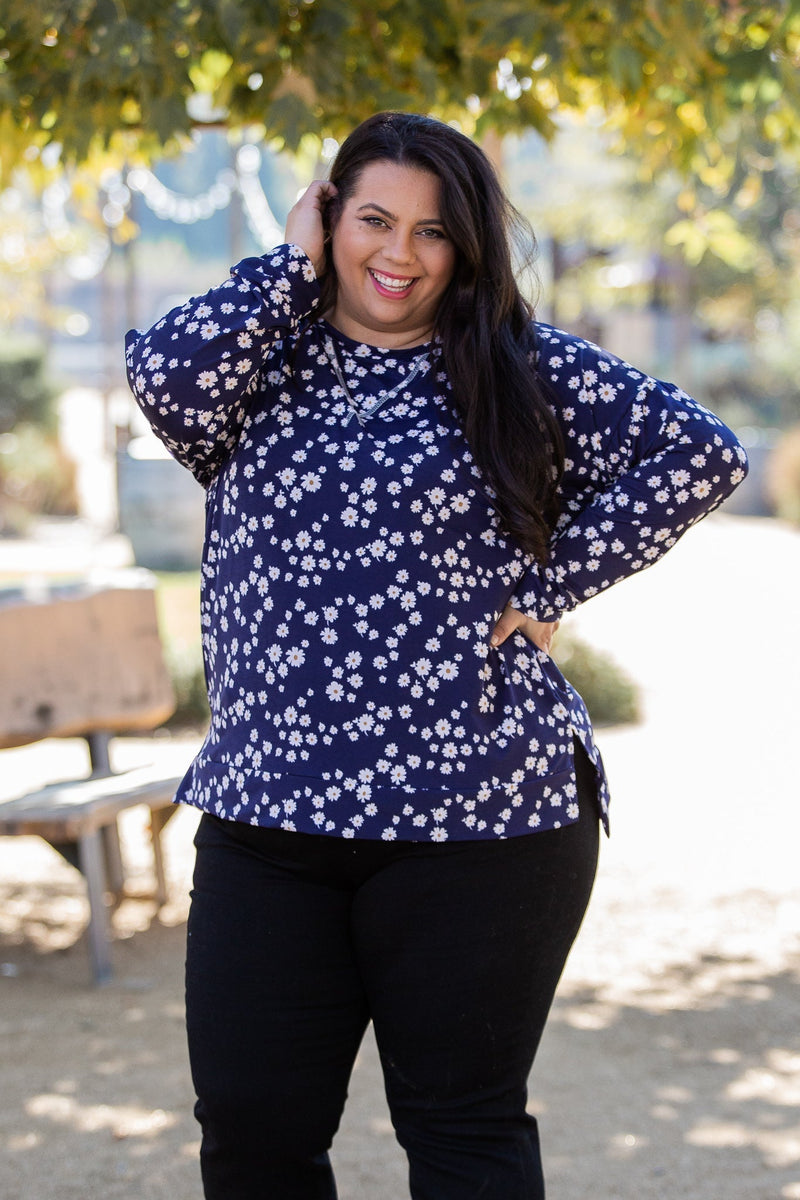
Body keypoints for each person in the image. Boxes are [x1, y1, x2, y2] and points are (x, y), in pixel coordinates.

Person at [125, 111, 747, 1199]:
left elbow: (698, 454)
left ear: (466, 247)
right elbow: (161, 375)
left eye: (431, 231)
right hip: (270, 816)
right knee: (252, 1134)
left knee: (460, 1132)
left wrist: (550, 584)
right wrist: (287, 269)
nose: (398, 255)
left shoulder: (516, 366)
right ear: (327, 218)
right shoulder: (259, 363)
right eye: (371, 220)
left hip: (482, 819)